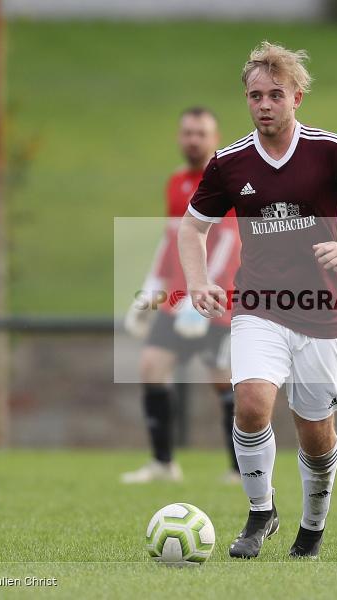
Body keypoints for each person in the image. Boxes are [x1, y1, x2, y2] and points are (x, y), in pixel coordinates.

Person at [178, 42, 337, 558]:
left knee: (315, 431)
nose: (264, 104)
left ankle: (313, 528)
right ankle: (259, 514)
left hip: (323, 314)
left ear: (296, 97)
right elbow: (192, 228)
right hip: (259, 305)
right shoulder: (229, 163)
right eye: (255, 95)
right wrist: (196, 280)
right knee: (252, 404)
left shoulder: (330, 150)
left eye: (275, 94)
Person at [121, 107, 241, 485]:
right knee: (151, 368)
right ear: (179, 137)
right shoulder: (176, 183)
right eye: (187, 132)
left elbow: (227, 241)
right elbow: (170, 240)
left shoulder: (224, 181)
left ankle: (242, 471)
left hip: (218, 302)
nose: (193, 140)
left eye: (201, 133)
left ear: (215, 138)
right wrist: (150, 291)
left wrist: (199, 293)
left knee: (227, 383)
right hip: (178, 298)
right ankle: (163, 464)